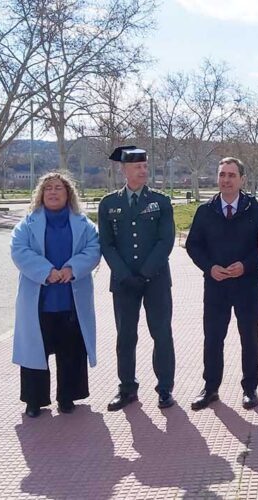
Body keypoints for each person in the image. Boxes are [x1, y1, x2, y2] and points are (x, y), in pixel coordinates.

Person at [9, 172, 101, 418]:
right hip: (39, 301)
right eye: (47, 188)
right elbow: (19, 251)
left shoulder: (84, 225)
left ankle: (68, 397)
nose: (52, 192)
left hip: (71, 300)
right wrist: (46, 271)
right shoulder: (26, 224)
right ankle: (34, 400)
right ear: (40, 194)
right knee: (34, 352)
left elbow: (93, 250)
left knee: (71, 351)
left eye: (58, 188)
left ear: (68, 193)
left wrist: (72, 268)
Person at [185, 157, 258, 411]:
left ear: (242, 179)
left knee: (249, 338)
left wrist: (246, 265)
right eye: (222, 175)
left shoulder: (256, 210)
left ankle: (250, 388)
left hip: (247, 286)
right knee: (213, 338)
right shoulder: (205, 210)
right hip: (216, 287)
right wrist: (209, 268)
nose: (226, 180)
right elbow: (193, 245)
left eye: (232, 175)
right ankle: (210, 388)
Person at [98, 146, 176, 411]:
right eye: (137, 167)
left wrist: (145, 273)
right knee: (126, 336)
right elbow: (106, 244)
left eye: (145, 166)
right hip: (124, 283)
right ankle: (127, 387)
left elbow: (166, 241)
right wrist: (124, 274)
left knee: (161, 333)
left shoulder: (161, 201)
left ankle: (165, 388)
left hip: (155, 280)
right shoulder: (109, 203)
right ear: (124, 170)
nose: (143, 171)